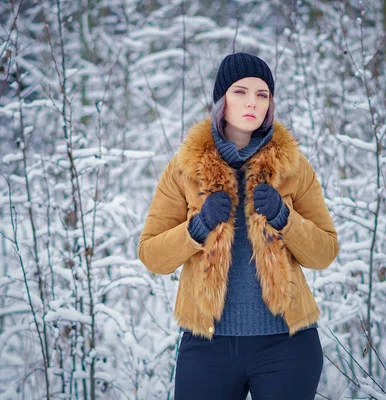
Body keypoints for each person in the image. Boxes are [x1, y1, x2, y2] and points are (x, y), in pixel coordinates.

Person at [138, 52, 338, 400]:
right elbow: (152, 255)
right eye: (240, 92)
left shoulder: (294, 166)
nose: (252, 102)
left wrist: (284, 219)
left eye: (262, 94)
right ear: (222, 101)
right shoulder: (185, 166)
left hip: (287, 347)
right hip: (207, 347)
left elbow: (324, 253)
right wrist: (197, 228)